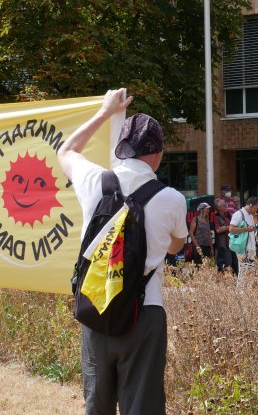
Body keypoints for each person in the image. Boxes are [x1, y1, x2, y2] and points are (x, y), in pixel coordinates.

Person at [57, 89, 187, 414]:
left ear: (122, 149)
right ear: (157, 153)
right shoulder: (171, 198)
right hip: (145, 313)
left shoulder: (94, 182)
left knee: (97, 406)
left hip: (97, 308)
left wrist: (104, 112)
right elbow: (177, 245)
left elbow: (67, 149)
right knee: (142, 407)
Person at [212, 199, 238, 274]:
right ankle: (227, 280)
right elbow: (218, 230)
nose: (226, 206)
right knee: (228, 263)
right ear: (218, 208)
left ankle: (235, 281)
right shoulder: (216, 217)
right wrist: (229, 227)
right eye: (224, 205)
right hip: (224, 245)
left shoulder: (228, 215)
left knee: (235, 263)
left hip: (232, 242)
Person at [230, 197, 258, 265]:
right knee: (243, 271)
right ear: (250, 205)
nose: (256, 210)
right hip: (242, 248)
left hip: (251, 249)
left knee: (250, 271)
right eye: (255, 208)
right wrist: (246, 229)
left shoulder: (250, 216)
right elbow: (231, 229)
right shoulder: (238, 214)